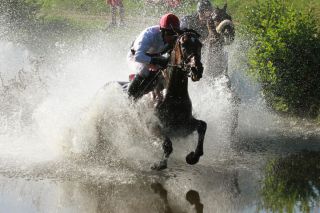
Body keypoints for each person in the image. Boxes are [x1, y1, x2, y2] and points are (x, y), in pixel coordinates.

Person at [127, 13, 180, 101]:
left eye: (174, 33)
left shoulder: (173, 35)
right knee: (145, 71)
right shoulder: (149, 35)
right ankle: (131, 97)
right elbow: (138, 56)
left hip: (154, 56)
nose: (172, 37)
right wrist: (155, 61)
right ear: (162, 30)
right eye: (169, 33)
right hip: (135, 57)